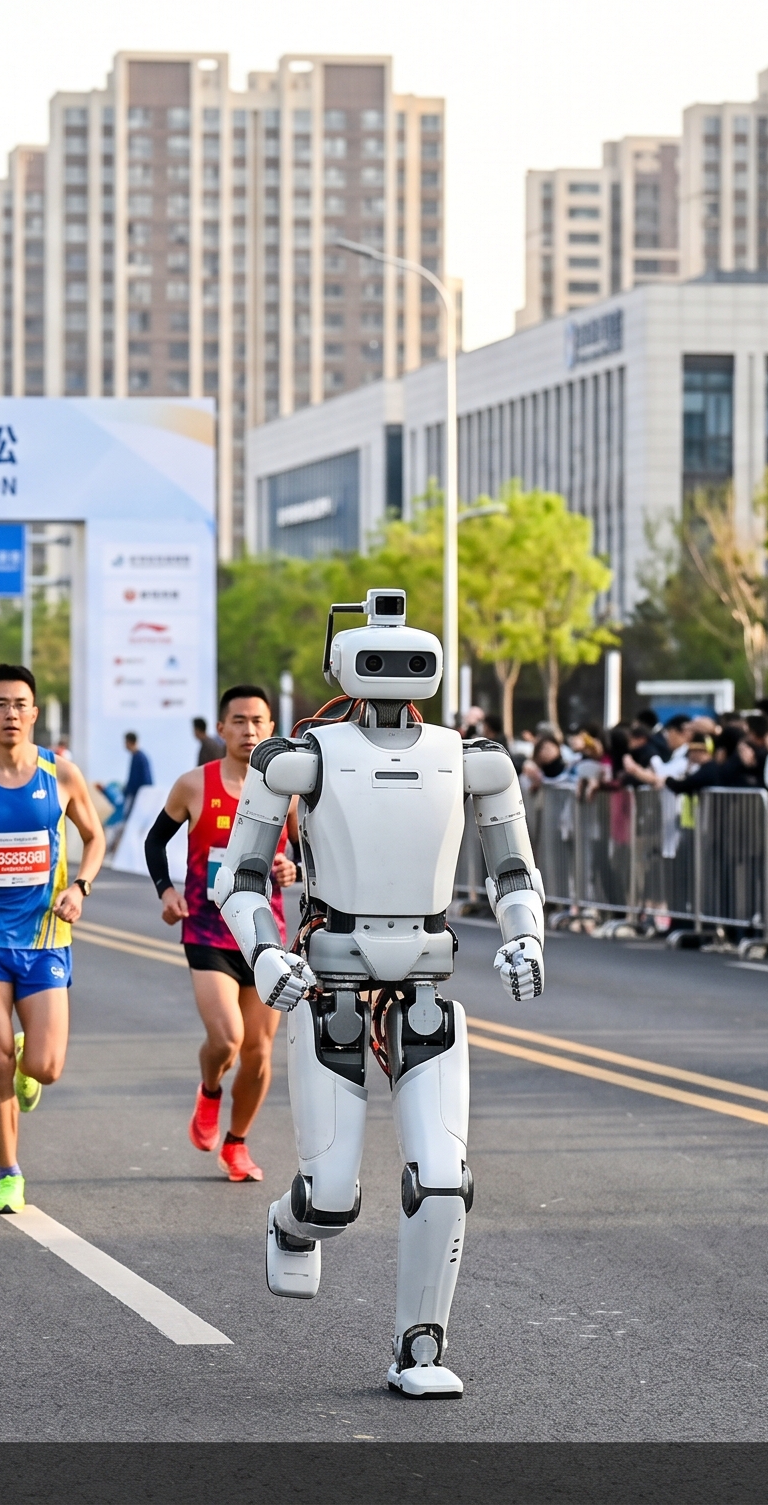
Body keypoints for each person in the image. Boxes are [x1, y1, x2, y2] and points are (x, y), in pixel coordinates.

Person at [214, 587, 547, 1399]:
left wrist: (526, 932)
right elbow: (242, 877)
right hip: (328, 976)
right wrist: (263, 954)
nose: (397, 678)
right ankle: (294, 1220)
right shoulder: (301, 757)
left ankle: (419, 1350)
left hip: (428, 976)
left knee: (442, 1177)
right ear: (345, 667)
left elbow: (513, 868)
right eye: (379, 663)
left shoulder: (473, 758)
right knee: (332, 1198)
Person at [0, 663, 108, 1215]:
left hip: (45, 938)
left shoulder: (60, 775)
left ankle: (23, 1054)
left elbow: (95, 837)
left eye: (20, 704)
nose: (10, 714)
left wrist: (81, 886)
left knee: (45, 1068)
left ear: (34, 712)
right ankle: (8, 1172)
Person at [147, 684, 297, 1184]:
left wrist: (291, 867)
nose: (248, 730)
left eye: (258, 720)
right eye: (238, 720)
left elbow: (308, 854)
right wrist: (168, 892)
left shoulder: (285, 791)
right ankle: (210, 1088)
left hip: (264, 937)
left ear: (271, 727)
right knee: (228, 1038)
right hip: (208, 932)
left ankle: (236, 1145)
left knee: (257, 1053)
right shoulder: (194, 785)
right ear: (221, 727)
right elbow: (155, 841)